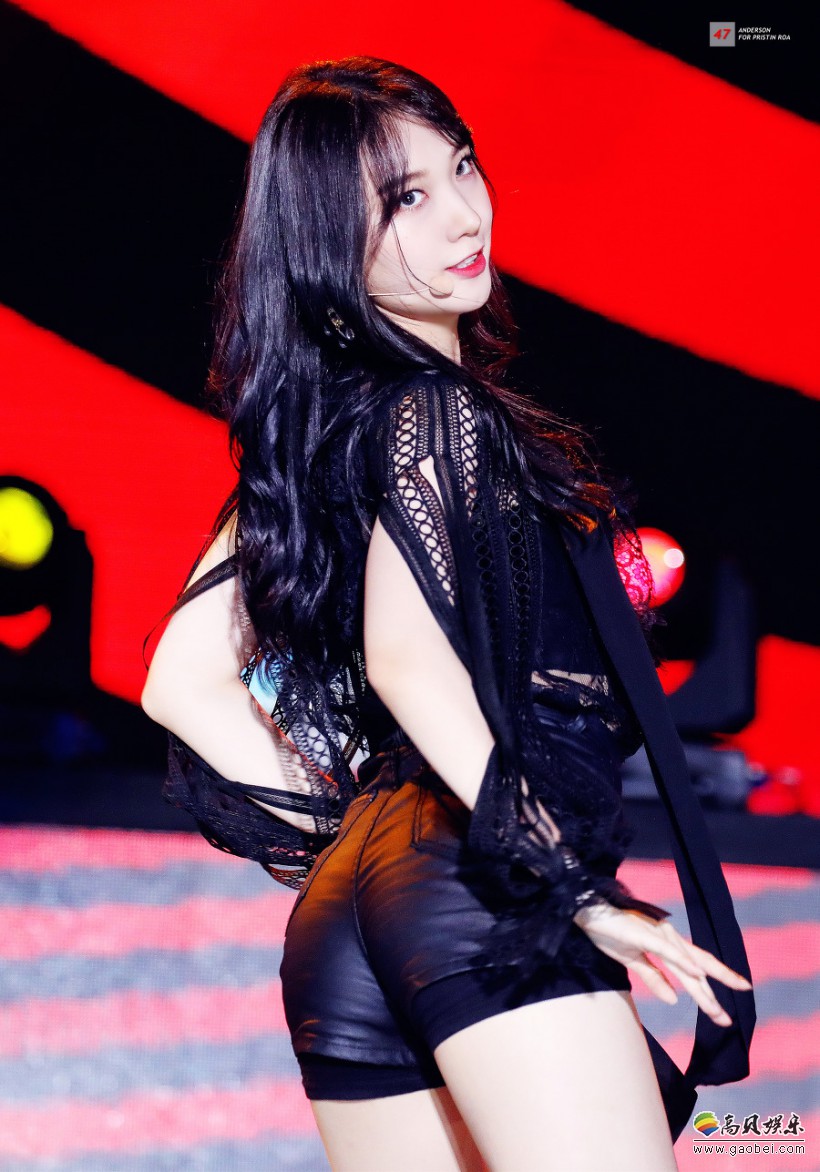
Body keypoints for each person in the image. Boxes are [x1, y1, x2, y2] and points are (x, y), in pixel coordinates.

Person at [142, 57, 755, 1171]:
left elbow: (182, 683)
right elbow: (407, 662)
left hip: (352, 918)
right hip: (482, 887)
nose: (465, 215)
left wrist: (359, 844)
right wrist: (568, 884)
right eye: (405, 199)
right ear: (329, 241)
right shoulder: (439, 411)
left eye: (461, 166)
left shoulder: (318, 439)